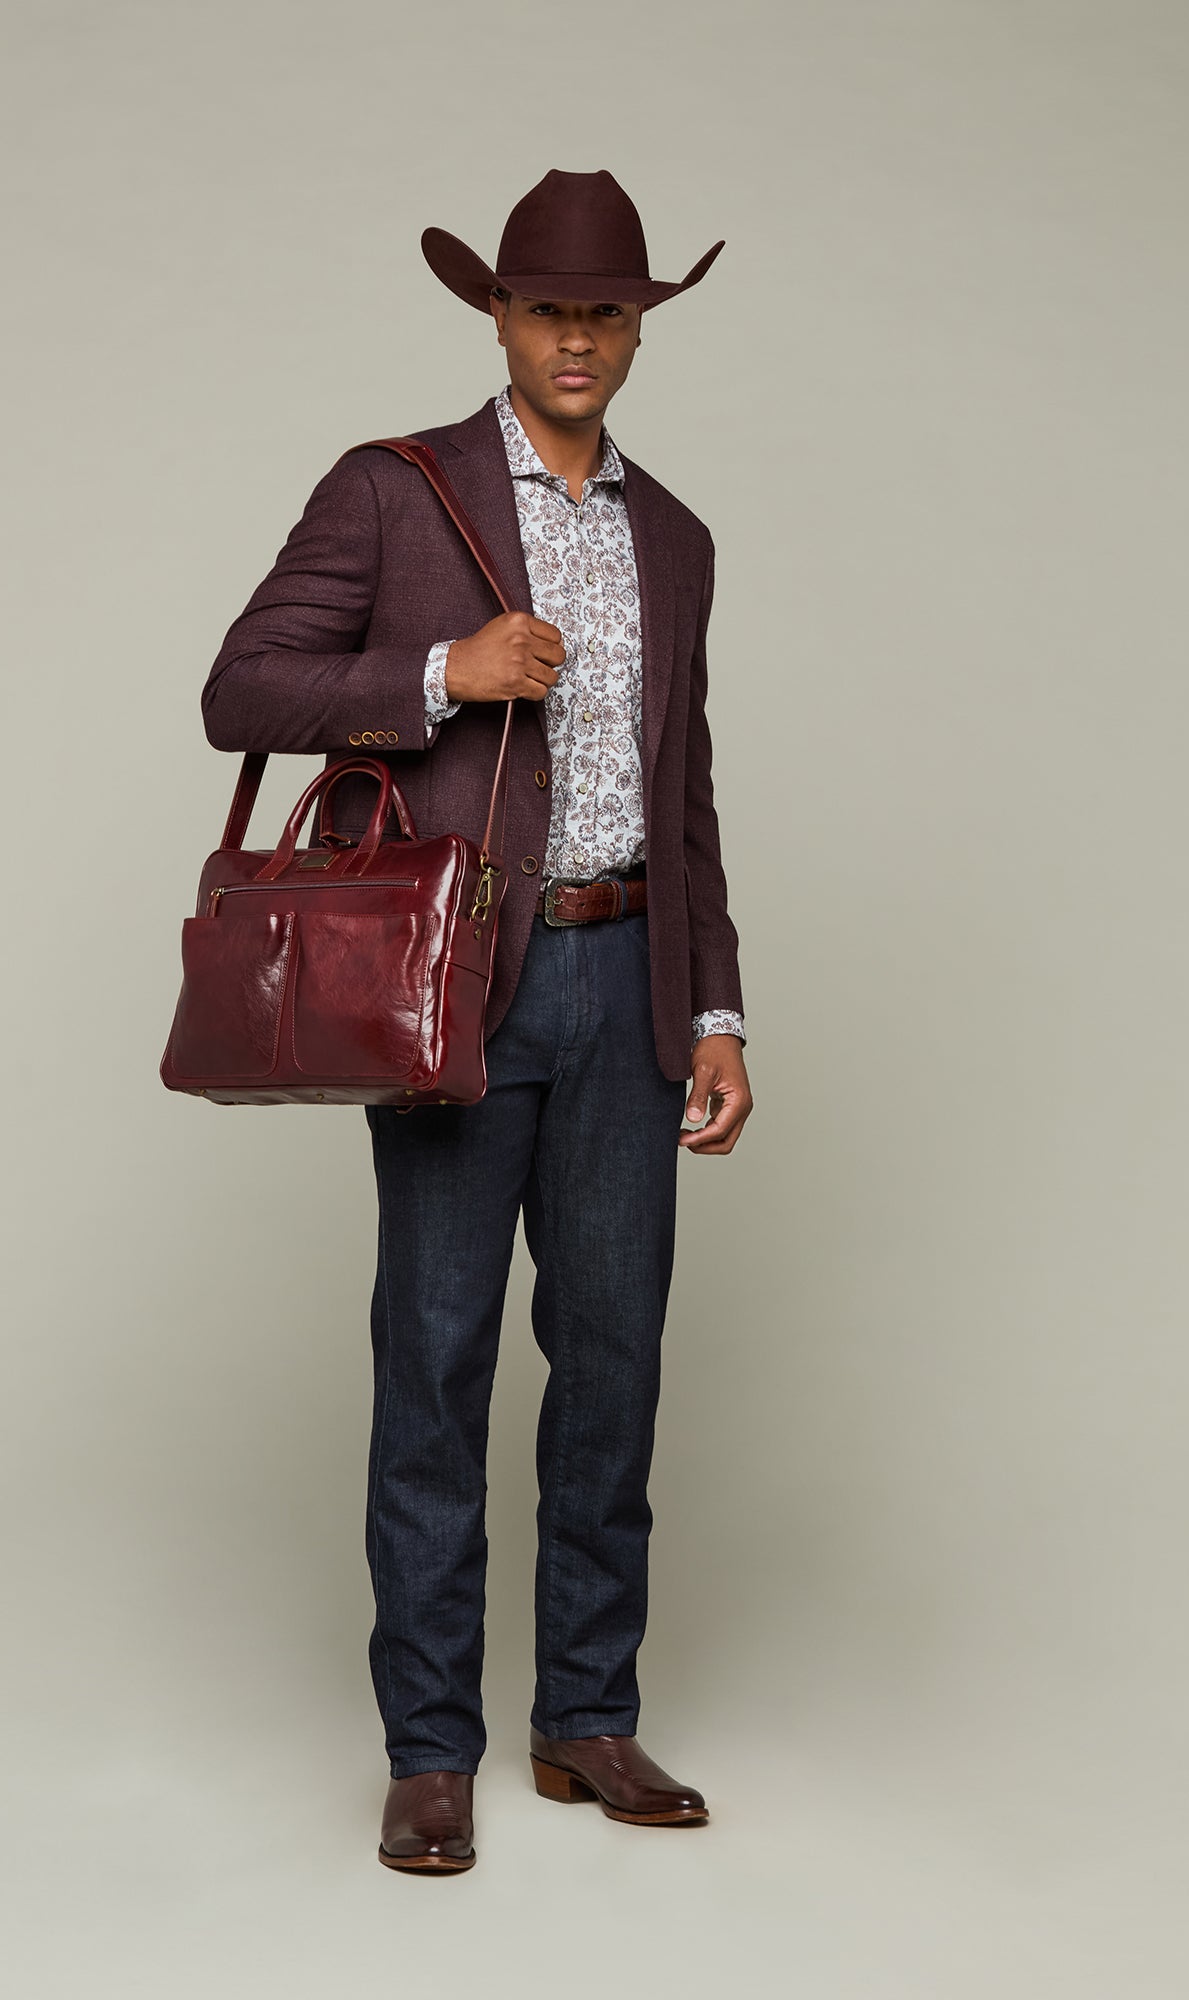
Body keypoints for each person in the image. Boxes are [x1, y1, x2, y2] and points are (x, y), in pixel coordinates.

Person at [201, 168, 752, 1874]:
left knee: (614, 1364)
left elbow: (685, 792)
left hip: (630, 978)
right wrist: (446, 674)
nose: (576, 336)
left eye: (607, 313)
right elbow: (241, 687)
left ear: (638, 332)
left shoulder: (676, 537)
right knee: (436, 1362)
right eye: (546, 308)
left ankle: (587, 1716)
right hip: (456, 983)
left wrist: (717, 1004)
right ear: (499, 319)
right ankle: (430, 1747)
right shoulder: (396, 491)